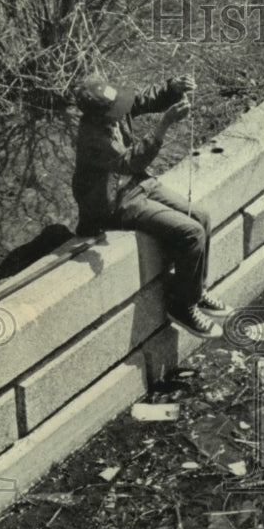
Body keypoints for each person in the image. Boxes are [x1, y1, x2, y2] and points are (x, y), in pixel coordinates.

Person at [73, 73, 230, 339]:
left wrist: (172, 88)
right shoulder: (93, 137)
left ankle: (195, 291)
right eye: (115, 109)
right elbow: (129, 163)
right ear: (100, 115)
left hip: (138, 184)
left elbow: (140, 100)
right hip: (115, 203)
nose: (122, 111)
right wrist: (162, 127)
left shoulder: (112, 111)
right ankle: (182, 307)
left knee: (201, 216)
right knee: (191, 233)